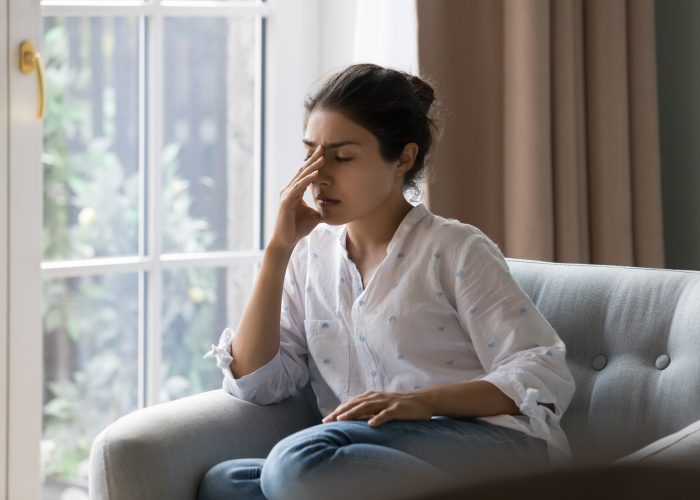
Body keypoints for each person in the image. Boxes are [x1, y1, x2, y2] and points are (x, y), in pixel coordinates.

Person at [200, 63, 576, 500]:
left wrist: (424, 403)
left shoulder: (454, 248)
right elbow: (256, 383)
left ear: (403, 158)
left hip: (489, 445)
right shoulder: (309, 257)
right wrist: (277, 251)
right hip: (371, 450)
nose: (319, 176)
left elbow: (542, 371)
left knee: (297, 463)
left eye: (341, 157)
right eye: (310, 155)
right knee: (226, 483)